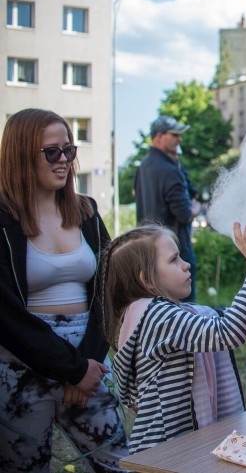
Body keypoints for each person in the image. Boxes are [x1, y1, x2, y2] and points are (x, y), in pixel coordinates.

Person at [0, 108, 129, 473]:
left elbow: (109, 288)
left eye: (68, 150)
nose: (63, 161)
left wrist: (84, 366)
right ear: (21, 154)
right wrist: (68, 368)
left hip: (88, 362)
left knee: (120, 463)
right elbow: (6, 314)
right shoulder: (3, 219)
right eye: (51, 152)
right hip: (20, 367)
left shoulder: (86, 211)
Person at [103, 222, 246, 454]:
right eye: (174, 260)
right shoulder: (154, 316)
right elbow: (229, 331)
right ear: (147, 280)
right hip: (164, 453)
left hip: (181, 447)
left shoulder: (174, 315)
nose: (186, 264)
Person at [134, 115, 201, 301]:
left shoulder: (143, 166)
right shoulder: (170, 170)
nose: (179, 139)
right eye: (174, 134)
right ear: (159, 136)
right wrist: (195, 208)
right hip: (175, 252)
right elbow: (184, 214)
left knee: (160, 313)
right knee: (186, 315)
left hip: (149, 254)